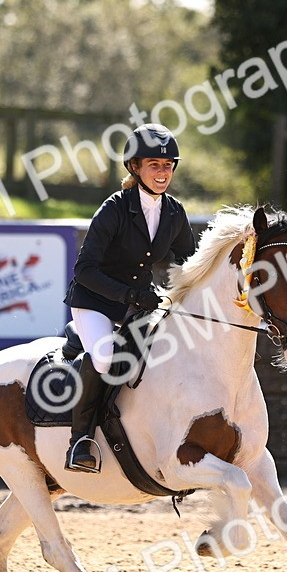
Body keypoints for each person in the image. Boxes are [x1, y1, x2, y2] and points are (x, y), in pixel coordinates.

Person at [62, 123, 197, 473]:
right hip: (96, 301)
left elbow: (191, 264)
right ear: (134, 168)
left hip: (140, 301)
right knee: (105, 357)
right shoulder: (115, 208)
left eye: (168, 166)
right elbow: (84, 269)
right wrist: (128, 295)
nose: (162, 172)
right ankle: (80, 441)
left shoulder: (173, 213)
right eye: (154, 164)